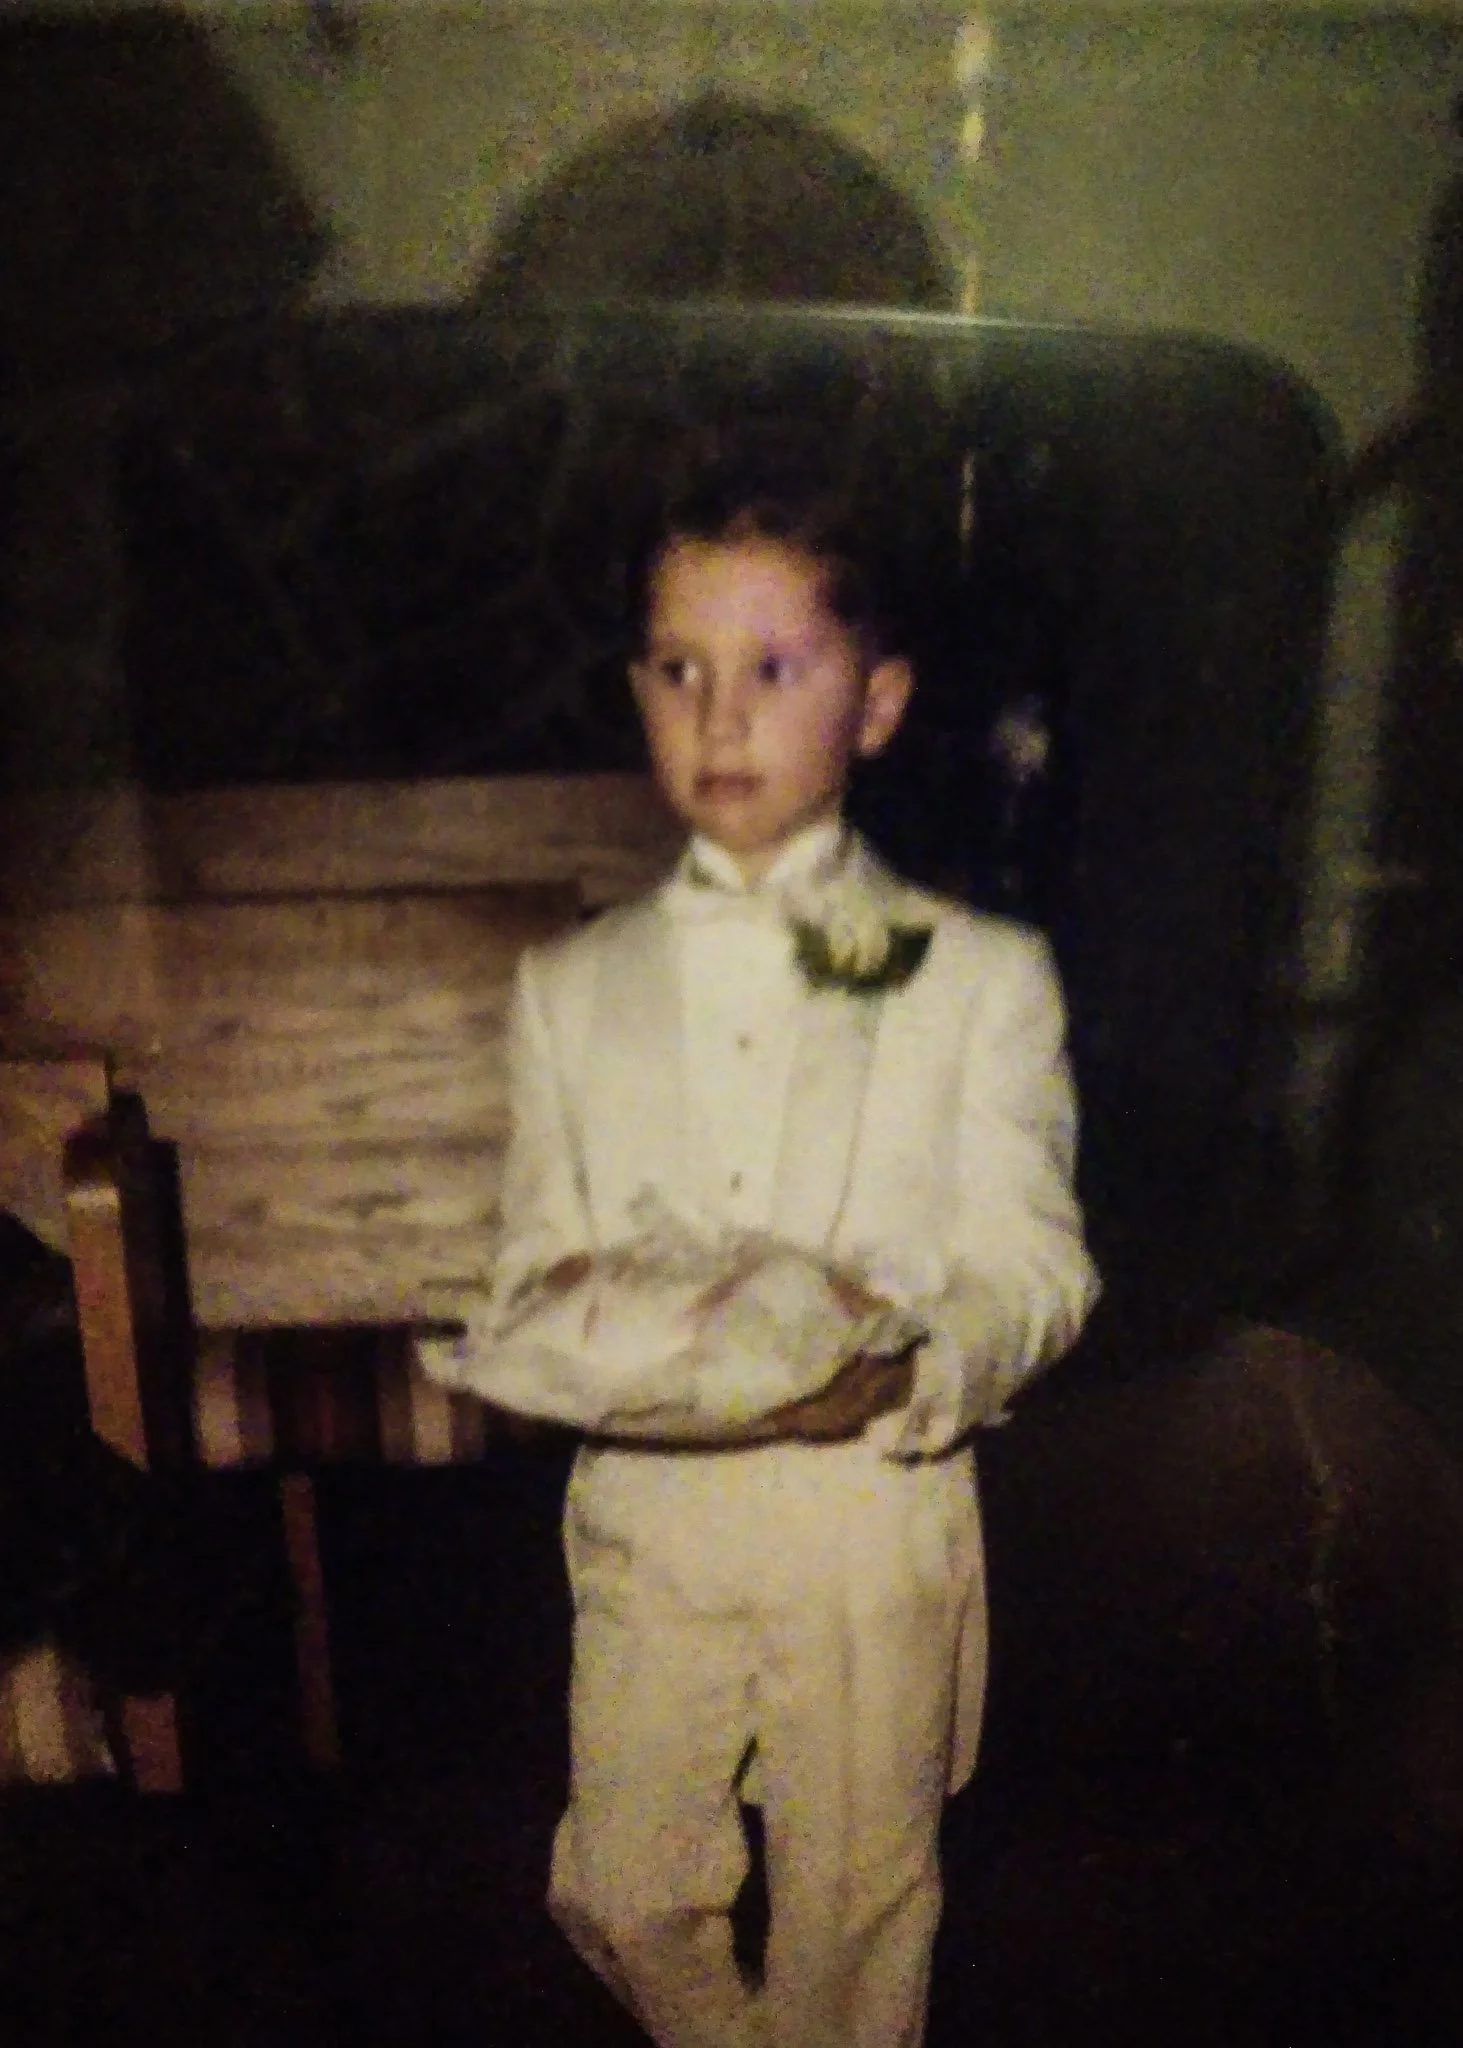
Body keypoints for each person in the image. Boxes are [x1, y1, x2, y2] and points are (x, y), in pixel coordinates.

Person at [474, 442, 1098, 2047]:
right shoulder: (575, 991)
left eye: (772, 667)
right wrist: (554, 1330)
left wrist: (909, 1365)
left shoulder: (978, 979)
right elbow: (540, 1265)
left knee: (853, 1922)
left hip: (865, 1518)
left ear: (876, 705)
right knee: (614, 1889)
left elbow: (1038, 1267)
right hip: (653, 1514)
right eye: (680, 669)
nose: (721, 715)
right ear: (637, 691)